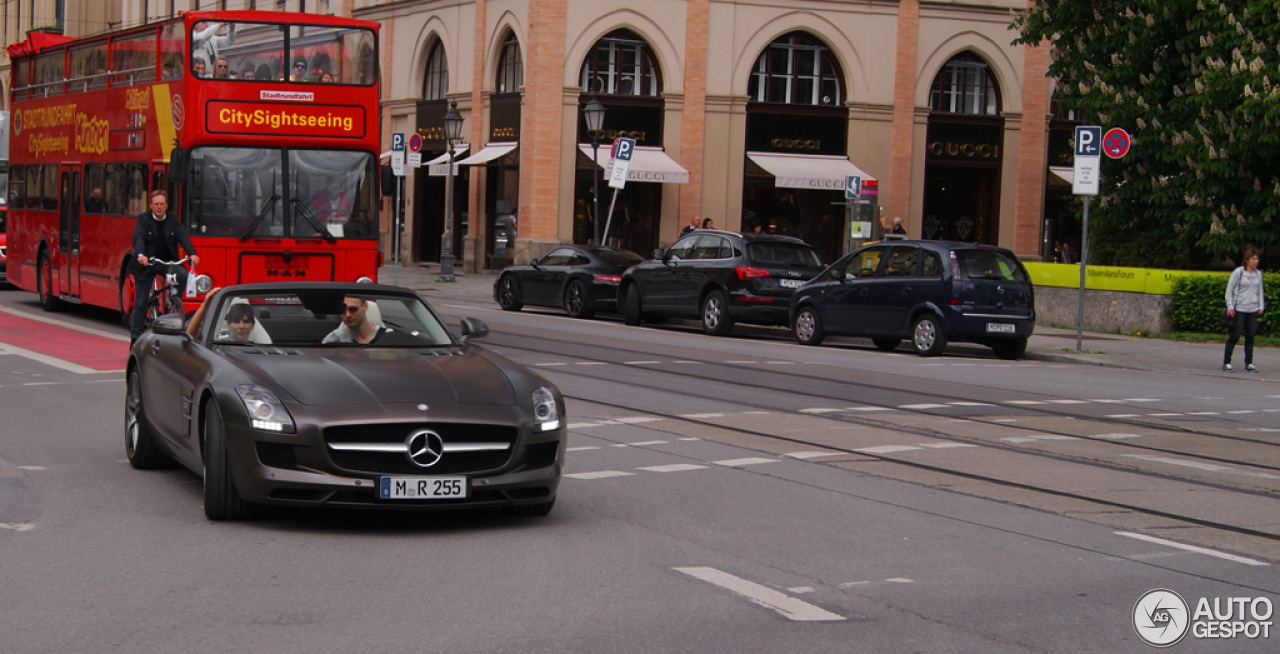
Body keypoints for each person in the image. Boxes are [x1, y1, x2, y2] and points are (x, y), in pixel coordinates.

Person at [130, 190, 199, 344]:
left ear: (167, 205)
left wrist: (192, 254)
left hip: (167, 262)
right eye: (156, 204)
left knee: (182, 274)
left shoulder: (173, 221)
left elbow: (183, 237)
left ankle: (173, 301)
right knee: (141, 302)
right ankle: (134, 337)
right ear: (151, 206)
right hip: (146, 263)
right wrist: (141, 255)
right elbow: (138, 237)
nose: (159, 207)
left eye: (162, 204)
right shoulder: (143, 220)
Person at [1222, 247, 1265, 372]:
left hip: (1252, 309)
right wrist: (1230, 306)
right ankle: (1226, 362)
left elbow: (1260, 291)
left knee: (1250, 336)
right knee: (1234, 336)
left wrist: (1260, 306)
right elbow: (1229, 290)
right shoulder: (1238, 272)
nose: (1256, 261)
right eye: (1253, 259)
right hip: (1239, 309)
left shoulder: (1258, 274)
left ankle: (1249, 363)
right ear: (1247, 260)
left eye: (1257, 259)